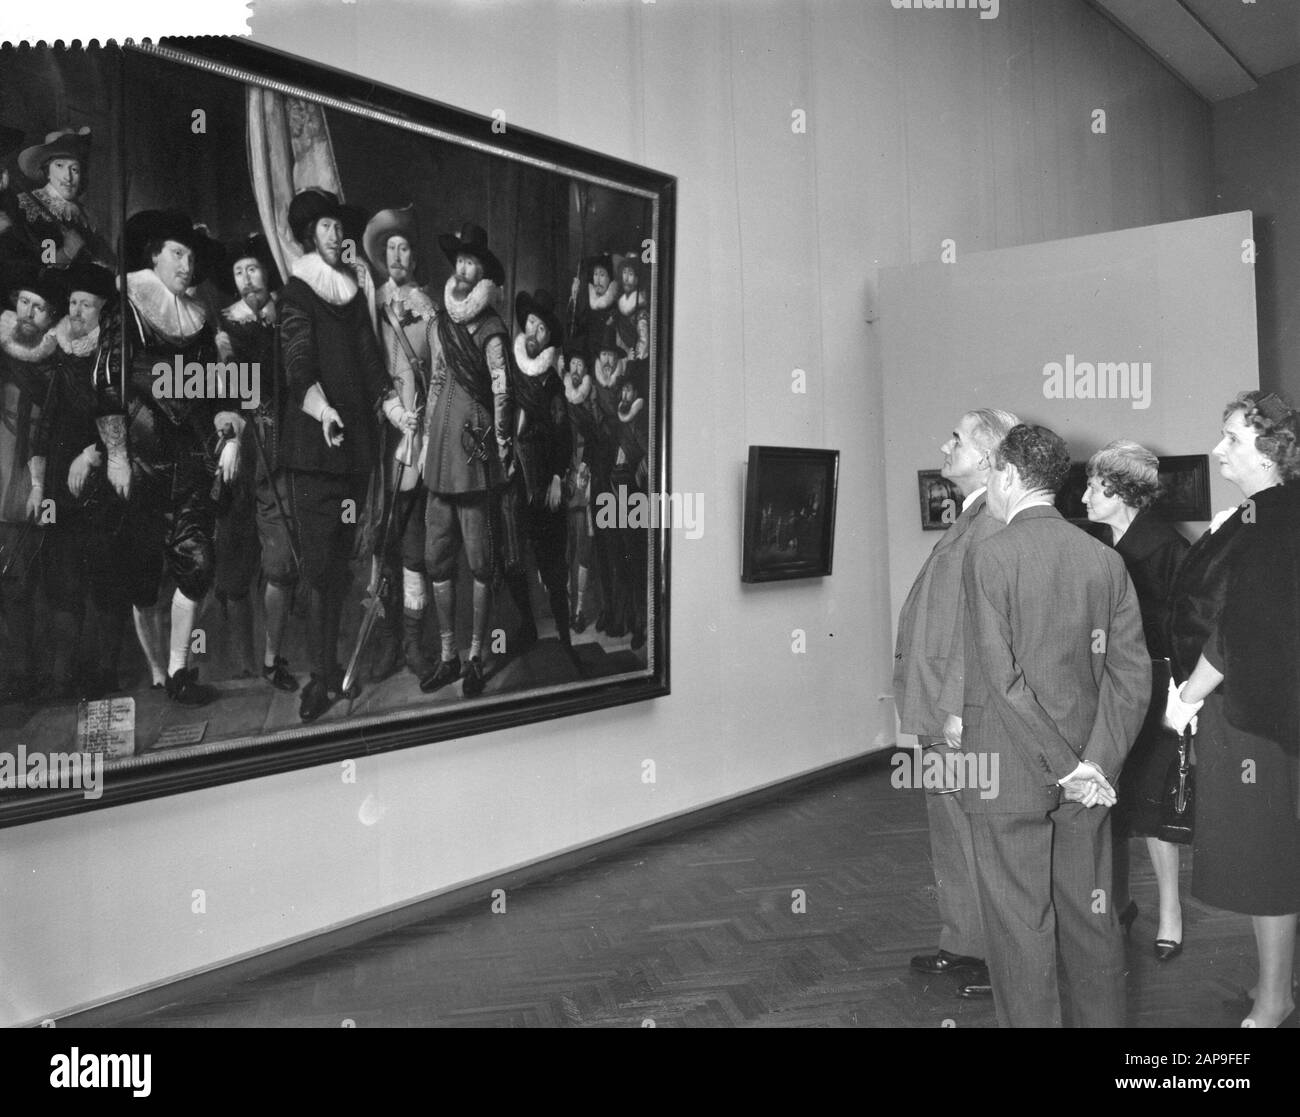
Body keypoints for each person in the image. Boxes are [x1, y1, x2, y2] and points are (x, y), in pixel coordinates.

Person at [961, 423, 1150, 1027]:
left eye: (993, 472)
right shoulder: (1104, 558)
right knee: (1092, 919)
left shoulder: (989, 555)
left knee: (1020, 928)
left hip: (1009, 771)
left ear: (1011, 476)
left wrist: (1067, 766)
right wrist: (1095, 763)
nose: (990, 484)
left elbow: (1001, 679)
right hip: (1091, 774)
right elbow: (1131, 674)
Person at [1164, 391, 1300, 1029]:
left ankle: (1275, 1000)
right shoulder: (1260, 514)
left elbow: (1241, 629)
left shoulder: (1275, 518)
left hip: (1250, 717)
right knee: (1264, 853)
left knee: (1262, 856)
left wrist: (1187, 696)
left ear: (1273, 452)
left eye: (1233, 440)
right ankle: (1272, 986)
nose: (1219, 450)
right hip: (1255, 711)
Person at [894, 408, 1018, 1000]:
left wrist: (957, 708)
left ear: (992, 457)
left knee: (979, 830)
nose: (946, 446)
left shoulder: (992, 524)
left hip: (958, 713)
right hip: (940, 709)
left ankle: (1001, 958)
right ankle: (966, 942)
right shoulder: (970, 519)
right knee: (953, 829)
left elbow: (981, 628)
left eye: (959, 439)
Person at [104, 210, 234, 706]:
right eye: (177, 253)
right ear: (154, 255)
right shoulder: (127, 306)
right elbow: (106, 384)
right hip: (138, 459)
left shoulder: (200, 319)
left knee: (197, 563)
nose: (186, 264)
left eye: (191, 256)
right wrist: (116, 453)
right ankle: (157, 669)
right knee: (142, 578)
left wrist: (228, 428)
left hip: (188, 457)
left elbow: (215, 386)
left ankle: (181, 670)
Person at [278, 189, 398, 721]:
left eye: (335, 225)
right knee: (319, 569)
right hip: (313, 453)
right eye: (323, 226)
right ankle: (319, 678)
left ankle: (335, 670)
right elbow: (297, 363)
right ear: (309, 235)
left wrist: (394, 409)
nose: (332, 233)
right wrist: (323, 410)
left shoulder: (351, 294)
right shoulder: (297, 293)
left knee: (345, 565)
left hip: (353, 455)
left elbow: (372, 363)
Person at [1081, 440, 1190, 960]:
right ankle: (1119, 904)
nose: (1083, 497)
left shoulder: (1167, 546)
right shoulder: (1095, 545)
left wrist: (1182, 695)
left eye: (1093, 487)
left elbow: (1189, 627)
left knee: (1153, 804)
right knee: (1111, 797)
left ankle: (1170, 913)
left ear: (1122, 490)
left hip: (1157, 684)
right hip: (1107, 685)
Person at [417, 222, 513, 698]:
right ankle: (448, 655)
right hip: (439, 456)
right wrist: (423, 444)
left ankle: (476, 656)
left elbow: (501, 390)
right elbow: (435, 382)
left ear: (481, 274)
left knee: (479, 561)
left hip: (474, 454)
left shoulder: (493, 327)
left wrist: (501, 443)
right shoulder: (439, 325)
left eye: (471, 262)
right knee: (437, 558)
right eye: (458, 261)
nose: (462, 269)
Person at [212, 232, 299, 692]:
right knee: (232, 564)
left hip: (283, 448)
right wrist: (229, 436)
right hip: (241, 451)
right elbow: (225, 384)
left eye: (253, 270)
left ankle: (272, 659)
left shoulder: (288, 316)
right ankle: (242, 668)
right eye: (239, 273)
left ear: (268, 271)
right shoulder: (226, 326)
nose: (247, 280)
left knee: (281, 563)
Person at [35, 257, 123, 699]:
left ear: (102, 311)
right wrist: (39, 482)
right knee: (64, 582)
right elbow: (44, 426)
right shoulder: (57, 356)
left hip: (102, 482)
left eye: (85, 304)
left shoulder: (113, 358)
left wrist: (94, 453)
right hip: (58, 490)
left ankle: (105, 674)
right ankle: (63, 680)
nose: (75, 312)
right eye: (72, 302)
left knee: (104, 577)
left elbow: (126, 417)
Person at [363, 205, 438, 682]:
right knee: (380, 544)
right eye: (389, 247)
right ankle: (387, 644)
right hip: (380, 437)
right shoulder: (369, 304)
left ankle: (413, 645)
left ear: (413, 254)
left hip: (419, 438)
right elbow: (365, 367)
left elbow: (441, 372)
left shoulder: (430, 306)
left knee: (414, 546)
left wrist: (427, 428)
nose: (396, 254)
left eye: (404, 247)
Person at [0, 262, 62, 701]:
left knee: (28, 583)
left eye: (39, 308)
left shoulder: (53, 367)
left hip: (31, 483)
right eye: (24, 302)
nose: (28, 313)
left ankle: (29, 674)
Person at [503, 288, 573, 656]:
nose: (533, 331)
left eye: (542, 328)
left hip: (545, 481)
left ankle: (564, 637)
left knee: (552, 565)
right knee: (512, 559)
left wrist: (560, 476)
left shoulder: (553, 384)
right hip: (511, 480)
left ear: (548, 339)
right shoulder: (508, 371)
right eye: (530, 322)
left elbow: (564, 434)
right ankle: (527, 626)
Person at [7, 127, 112, 266]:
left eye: (74, 169)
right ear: (47, 171)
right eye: (60, 166)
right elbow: (31, 260)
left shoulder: (83, 215)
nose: (68, 177)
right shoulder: (27, 206)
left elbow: (104, 258)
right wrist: (67, 252)